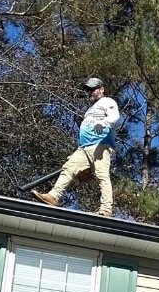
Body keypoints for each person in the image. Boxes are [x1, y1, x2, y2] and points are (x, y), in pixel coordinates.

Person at [32, 77, 121, 216]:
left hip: (100, 145)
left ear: (102, 89)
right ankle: (53, 196)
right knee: (69, 167)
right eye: (88, 90)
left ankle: (106, 209)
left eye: (93, 89)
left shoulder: (107, 101)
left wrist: (103, 123)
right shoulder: (90, 109)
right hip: (84, 147)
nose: (90, 92)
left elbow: (115, 116)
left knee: (102, 175)